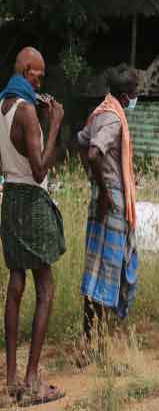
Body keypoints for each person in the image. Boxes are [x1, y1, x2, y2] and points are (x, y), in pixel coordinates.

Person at [0, 48, 65, 406]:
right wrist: (54, 123)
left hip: (9, 197)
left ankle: (10, 379)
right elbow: (40, 168)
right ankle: (31, 381)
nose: (41, 81)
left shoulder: (3, 107)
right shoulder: (26, 111)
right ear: (26, 70)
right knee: (46, 288)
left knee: (16, 282)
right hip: (32, 200)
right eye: (37, 75)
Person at [77, 64, 140, 356]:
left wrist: (93, 180)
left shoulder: (100, 111)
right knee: (108, 270)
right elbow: (93, 151)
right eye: (135, 93)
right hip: (111, 203)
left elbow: (81, 140)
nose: (136, 98)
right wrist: (103, 190)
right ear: (126, 96)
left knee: (95, 269)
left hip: (104, 198)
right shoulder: (114, 120)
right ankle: (94, 342)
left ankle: (91, 338)